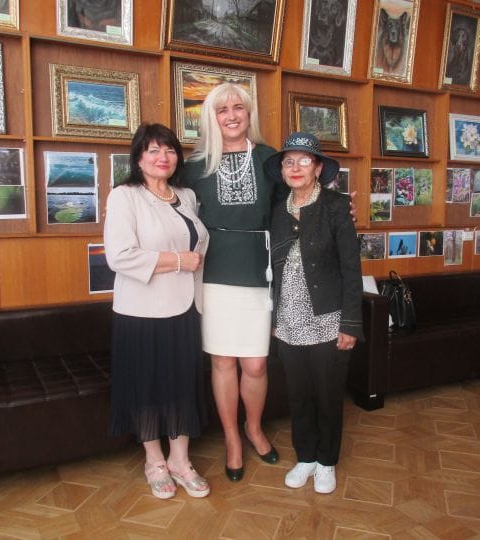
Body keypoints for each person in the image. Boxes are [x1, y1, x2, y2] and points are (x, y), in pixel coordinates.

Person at [182, 83, 286, 481]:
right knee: (223, 361)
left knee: (256, 364)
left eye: (238, 107)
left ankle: (253, 428)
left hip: (259, 270)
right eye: (221, 109)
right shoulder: (194, 165)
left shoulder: (269, 159)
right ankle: (231, 439)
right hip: (214, 274)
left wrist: (337, 209)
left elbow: (293, 206)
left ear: (249, 113)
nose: (231, 115)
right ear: (211, 117)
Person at [104, 123, 211, 499]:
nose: (162, 157)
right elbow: (120, 256)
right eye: (152, 150)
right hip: (141, 311)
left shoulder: (187, 196)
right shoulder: (125, 196)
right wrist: (179, 260)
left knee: (182, 384)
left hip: (186, 307)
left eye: (169, 150)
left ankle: (180, 460)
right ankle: (154, 461)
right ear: (138, 158)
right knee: (146, 387)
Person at [264, 132, 363, 494]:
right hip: (289, 321)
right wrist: (275, 321)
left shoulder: (337, 207)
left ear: (318, 168)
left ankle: (326, 461)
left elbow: (351, 268)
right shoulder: (278, 211)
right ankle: (305, 457)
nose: (296, 167)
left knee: (327, 395)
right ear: (282, 170)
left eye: (304, 160)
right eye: (289, 161)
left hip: (328, 321)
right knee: (299, 395)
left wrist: (350, 324)